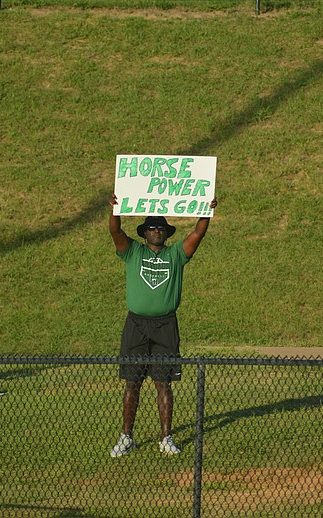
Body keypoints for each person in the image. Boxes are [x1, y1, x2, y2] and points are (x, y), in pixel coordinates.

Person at [108, 194, 218, 457]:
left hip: (165, 326)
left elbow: (198, 234)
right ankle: (126, 437)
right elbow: (115, 230)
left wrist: (207, 212)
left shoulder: (176, 254)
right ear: (145, 232)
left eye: (160, 228)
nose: (156, 231)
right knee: (132, 383)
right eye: (152, 227)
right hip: (136, 324)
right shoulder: (133, 251)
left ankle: (166, 438)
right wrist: (115, 209)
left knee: (163, 383)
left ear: (166, 233)